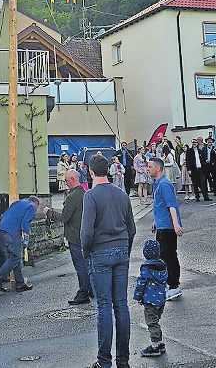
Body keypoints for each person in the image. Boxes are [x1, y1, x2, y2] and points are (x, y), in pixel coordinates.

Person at [81, 153, 136, 368]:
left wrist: (87, 253)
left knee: (104, 306)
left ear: (91, 172)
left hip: (100, 252)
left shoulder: (91, 196)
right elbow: (131, 228)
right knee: (121, 305)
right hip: (121, 250)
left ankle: (104, 361)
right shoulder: (122, 194)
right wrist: (126, 250)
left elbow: (86, 232)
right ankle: (123, 361)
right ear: (109, 170)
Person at [43, 170, 91, 306]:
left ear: (72, 179)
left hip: (75, 236)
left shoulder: (73, 196)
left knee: (80, 266)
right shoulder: (85, 194)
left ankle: (83, 293)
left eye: (66, 180)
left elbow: (64, 217)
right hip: (85, 235)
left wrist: (49, 212)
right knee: (87, 264)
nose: (65, 183)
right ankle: (90, 289)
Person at [147, 157, 183, 300]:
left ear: (158, 168)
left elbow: (171, 205)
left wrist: (175, 224)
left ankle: (174, 285)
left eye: (150, 166)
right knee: (164, 255)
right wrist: (155, 220)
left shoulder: (165, 184)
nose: (148, 169)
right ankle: (170, 284)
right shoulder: (157, 184)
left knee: (169, 256)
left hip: (167, 227)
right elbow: (159, 204)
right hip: (161, 225)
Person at [0, 196, 39, 293]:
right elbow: (25, 222)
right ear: (35, 203)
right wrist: (26, 238)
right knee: (15, 257)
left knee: (15, 257)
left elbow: (3, 215)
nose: (35, 210)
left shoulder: (17, 203)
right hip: (12, 231)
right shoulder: (30, 206)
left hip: (2, 229)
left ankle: (20, 283)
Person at [133, 240, 167, 358]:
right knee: (156, 321)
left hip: (150, 300)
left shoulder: (146, 267)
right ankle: (160, 343)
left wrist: (137, 296)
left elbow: (141, 283)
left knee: (151, 323)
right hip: (161, 299)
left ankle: (155, 346)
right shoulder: (162, 265)